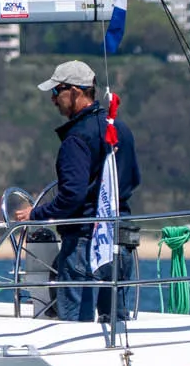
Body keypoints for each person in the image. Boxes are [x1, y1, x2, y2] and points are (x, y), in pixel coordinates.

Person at [29, 60, 141, 322]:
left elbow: (72, 196)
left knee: (75, 325)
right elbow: (134, 179)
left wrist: (35, 214)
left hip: (85, 241)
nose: (53, 100)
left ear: (75, 92)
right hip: (120, 237)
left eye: (56, 92)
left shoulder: (76, 138)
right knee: (116, 323)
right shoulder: (121, 129)